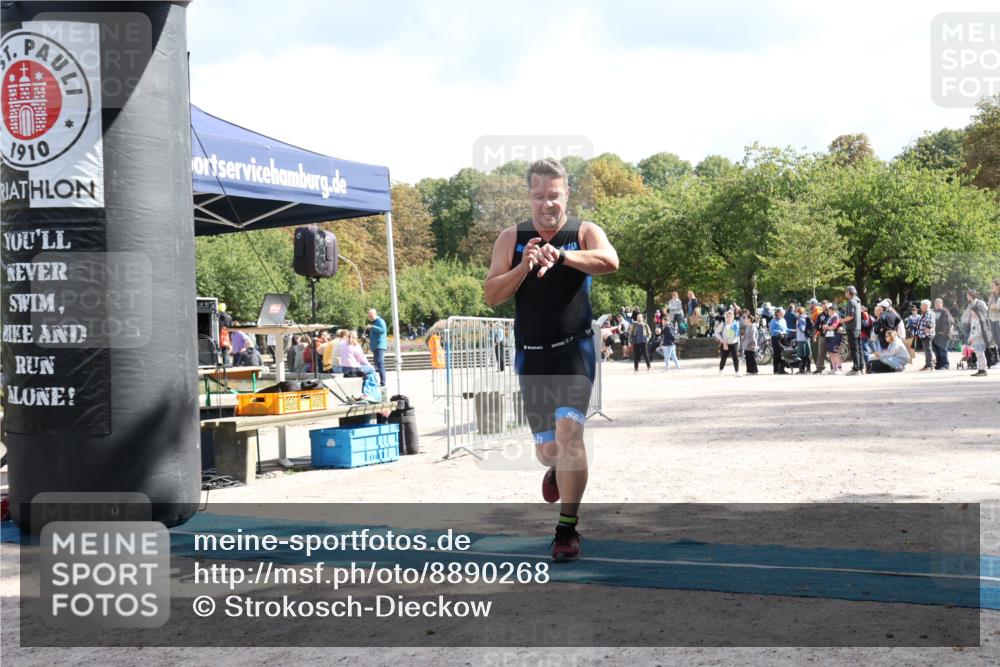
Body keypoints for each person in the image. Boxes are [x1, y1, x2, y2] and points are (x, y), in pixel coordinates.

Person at [483, 158, 619, 562]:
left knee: (569, 434)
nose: (547, 204)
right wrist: (523, 267)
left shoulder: (584, 232)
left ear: (567, 194)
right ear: (529, 196)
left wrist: (562, 257)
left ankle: (566, 530)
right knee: (548, 451)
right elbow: (491, 295)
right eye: (539, 196)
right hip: (532, 356)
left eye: (554, 196)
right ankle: (556, 469)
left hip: (574, 350)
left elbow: (610, 261)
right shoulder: (511, 238)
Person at [963, 289, 993, 377]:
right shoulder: (970, 305)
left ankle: (983, 369)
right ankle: (980, 369)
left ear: (972, 295)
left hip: (981, 329)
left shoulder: (980, 303)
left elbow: (987, 312)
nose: (967, 296)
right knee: (978, 353)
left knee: (980, 353)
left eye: (968, 295)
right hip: (975, 331)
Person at [842, 286, 864, 375]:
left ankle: (856, 369)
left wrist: (842, 320)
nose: (845, 293)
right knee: (859, 347)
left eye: (846, 291)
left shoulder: (851, 301)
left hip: (851, 327)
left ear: (848, 292)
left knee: (854, 348)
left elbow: (851, 316)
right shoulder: (858, 301)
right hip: (858, 327)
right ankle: (861, 368)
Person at [366, 308, 388, 387]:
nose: (370, 317)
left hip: (380, 346)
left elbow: (382, 330)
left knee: (380, 364)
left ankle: (383, 382)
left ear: (375, 314)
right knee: (377, 365)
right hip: (375, 346)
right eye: (369, 316)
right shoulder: (375, 322)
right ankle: (377, 381)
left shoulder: (380, 321)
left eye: (371, 315)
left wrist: (372, 327)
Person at [715, 309, 741, 376]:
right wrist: (722, 340)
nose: (729, 318)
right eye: (728, 316)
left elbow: (737, 335)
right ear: (726, 317)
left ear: (733, 317)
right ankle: (721, 371)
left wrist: (739, 344)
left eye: (731, 316)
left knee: (735, 358)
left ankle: (737, 372)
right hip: (725, 343)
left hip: (734, 343)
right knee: (723, 358)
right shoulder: (723, 324)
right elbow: (716, 333)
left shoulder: (736, 324)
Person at [932, 298, 953, 370]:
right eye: (935, 303)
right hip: (934, 334)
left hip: (942, 335)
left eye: (938, 303)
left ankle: (945, 365)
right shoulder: (933, 311)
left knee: (942, 350)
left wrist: (944, 332)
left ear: (942, 304)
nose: (936, 305)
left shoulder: (945, 311)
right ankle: (938, 364)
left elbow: (948, 322)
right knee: (936, 350)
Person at [915, 300, 936, 371]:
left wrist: (928, 327)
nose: (920, 307)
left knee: (928, 349)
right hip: (923, 335)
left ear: (925, 306)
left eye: (922, 305)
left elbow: (931, 322)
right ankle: (928, 365)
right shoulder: (925, 313)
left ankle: (930, 365)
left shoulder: (929, 313)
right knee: (927, 350)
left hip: (927, 334)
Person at [823, 304, 844, 374]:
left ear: (833, 310)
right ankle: (834, 369)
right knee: (831, 353)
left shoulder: (836, 317)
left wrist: (826, 327)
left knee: (835, 352)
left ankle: (840, 369)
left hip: (835, 336)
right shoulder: (830, 317)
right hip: (829, 336)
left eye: (829, 310)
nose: (828, 311)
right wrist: (825, 327)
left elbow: (834, 327)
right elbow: (829, 326)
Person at [769, 307, 789, 374]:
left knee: (783, 353)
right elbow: (771, 330)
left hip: (784, 337)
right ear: (778, 313)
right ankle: (776, 370)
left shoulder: (783, 320)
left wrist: (793, 330)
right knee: (777, 354)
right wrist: (779, 331)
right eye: (782, 312)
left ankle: (782, 370)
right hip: (776, 338)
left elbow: (786, 329)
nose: (783, 313)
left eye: (783, 312)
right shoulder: (773, 320)